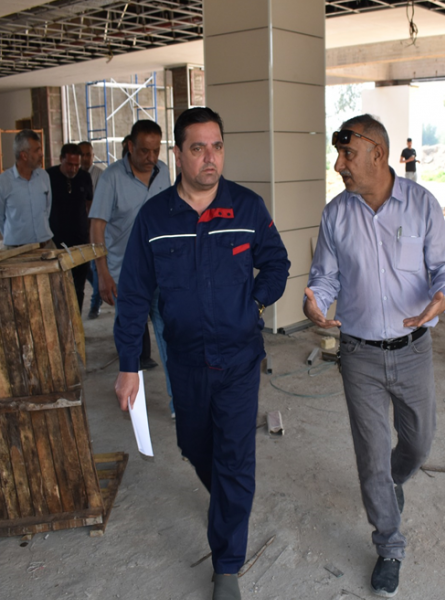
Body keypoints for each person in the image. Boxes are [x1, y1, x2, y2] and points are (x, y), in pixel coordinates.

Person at [114, 107, 290, 600]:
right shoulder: (155, 218)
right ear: (178, 155)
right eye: (197, 148)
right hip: (185, 360)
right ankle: (229, 500)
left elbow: (276, 262)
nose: (210, 157)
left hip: (238, 358)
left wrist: (255, 299)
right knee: (194, 445)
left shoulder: (247, 207)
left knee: (234, 456)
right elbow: (131, 296)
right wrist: (130, 365)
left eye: (216, 146)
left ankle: (227, 565)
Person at [304, 115, 445, 597]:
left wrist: (442, 297)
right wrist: (313, 299)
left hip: (413, 351)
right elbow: (325, 277)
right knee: (371, 456)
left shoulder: (421, 206)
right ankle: (389, 544)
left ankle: (395, 480)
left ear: (378, 152)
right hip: (359, 355)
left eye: (347, 154)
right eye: (339, 155)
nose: (339, 165)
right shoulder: (336, 215)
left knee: (418, 444)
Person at [88, 120, 174, 413]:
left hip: (162, 272)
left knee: (169, 334)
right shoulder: (111, 178)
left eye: (155, 150)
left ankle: (179, 403)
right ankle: (131, 400)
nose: (151, 158)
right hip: (126, 274)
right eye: (144, 151)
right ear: (129, 146)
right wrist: (103, 274)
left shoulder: (163, 173)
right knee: (130, 337)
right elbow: (97, 227)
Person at [47, 143, 95, 311]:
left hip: (80, 242)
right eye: (69, 164)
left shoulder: (84, 177)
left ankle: (77, 327)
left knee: (78, 288)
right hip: (56, 243)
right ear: (61, 159)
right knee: (57, 288)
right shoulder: (48, 176)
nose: (73, 169)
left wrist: (90, 235)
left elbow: (90, 206)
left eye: (77, 165)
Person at [0, 129, 53, 247]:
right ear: (24, 155)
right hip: (17, 248)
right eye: (37, 150)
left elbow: (47, 209)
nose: (41, 154)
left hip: (44, 243)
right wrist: (14, 237)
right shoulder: (2, 183)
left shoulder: (43, 176)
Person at [79, 141, 105, 319]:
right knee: (85, 268)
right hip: (80, 227)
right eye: (82, 155)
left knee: (97, 267)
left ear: (93, 156)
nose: (85, 158)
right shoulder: (75, 175)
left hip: (96, 228)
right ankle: (98, 292)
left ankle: (95, 305)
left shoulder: (100, 175)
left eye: (88, 154)